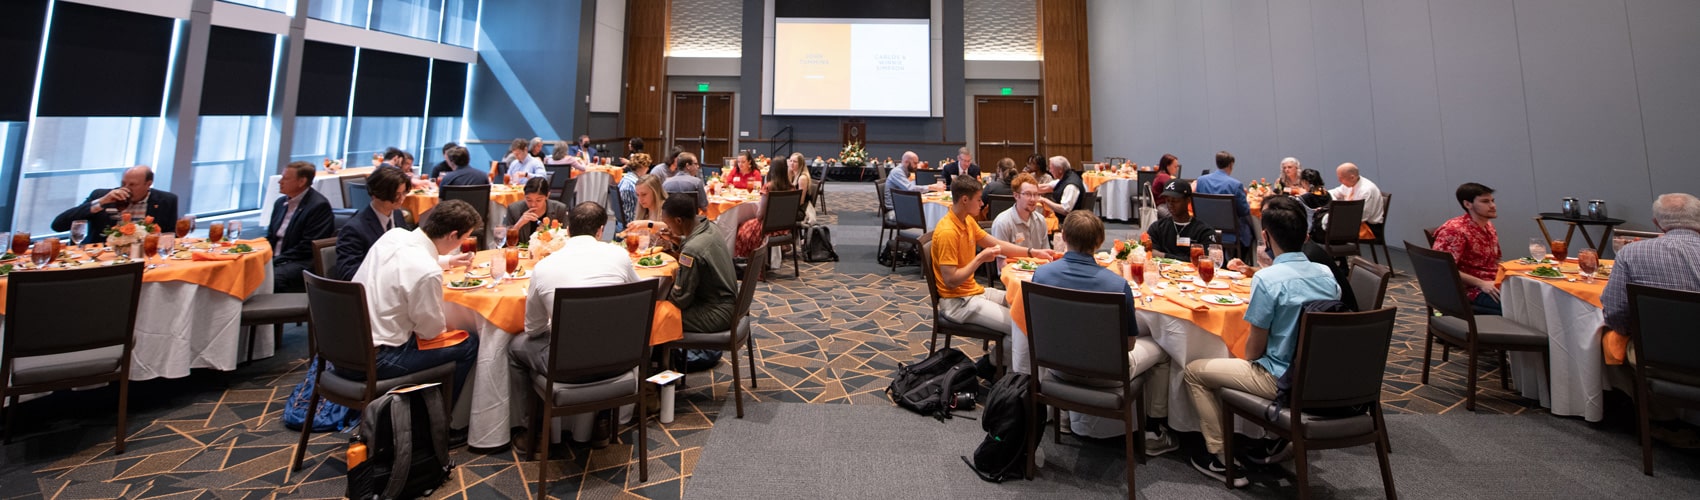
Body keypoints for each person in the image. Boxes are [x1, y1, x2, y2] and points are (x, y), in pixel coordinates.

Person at [1184, 195, 1339, 484]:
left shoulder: (1268, 281)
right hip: (1324, 378)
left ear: (1265, 237)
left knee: (1194, 371)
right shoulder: (1327, 274)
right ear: (1305, 235)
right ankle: (1266, 437)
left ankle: (1218, 455)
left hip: (1280, 380)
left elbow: (1254, 352)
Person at [1028, 210, 1175, 452]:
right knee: (1164, 348)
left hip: (1056, 368)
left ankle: (1064, 415)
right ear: (1099, 242)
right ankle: (1153, 430)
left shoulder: (1041, 274)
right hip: (1106, 375)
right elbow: (1128, 345)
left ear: (1063, 236)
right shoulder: (1116, 285)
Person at [509, 201, 639, 447]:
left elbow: (534, 330)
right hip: (620, 360)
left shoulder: (545, 267)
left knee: (514, 347)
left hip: (566, 366)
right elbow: (636, 294)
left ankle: (532, 430)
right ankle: (602, 420)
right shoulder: (619, 255)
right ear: (601, 231)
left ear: (567, 230)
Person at [343, 198, 482, 419]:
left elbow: (403, 264)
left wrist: (446, 261)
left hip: (344, 349)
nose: (461, 244)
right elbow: (431, 333)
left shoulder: (393, 236)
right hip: (377, 360)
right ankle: (437, 422)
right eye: (464, 238)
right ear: (452, 235)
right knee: (470, 343)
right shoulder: (427, 271)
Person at [1602, 193, 1700, 447]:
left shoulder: (1631, 253)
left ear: (1657, 224)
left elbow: (1614, 312)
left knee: (1611, 343)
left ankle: (1660, 420)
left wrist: (1628, 331)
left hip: (1656, 360)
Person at [930, 177, 1060, 340]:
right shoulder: (948, 231)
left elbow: (998, 244)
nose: (982, 204)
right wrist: (980, 259)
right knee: (1022, 324)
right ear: (964, 200)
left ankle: (1001, 362)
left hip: (973, 292)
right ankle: (999, 364)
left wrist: (1032, 252)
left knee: (1025, 306)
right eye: (978, 199)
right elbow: (951, 281)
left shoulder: (967, 221)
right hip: (956, 303)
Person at [659, 196, 738, 333]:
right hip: (731, 304)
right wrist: (673, 238)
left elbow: (680, 299)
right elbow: (695, 243)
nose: (668, 227)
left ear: (678, 220)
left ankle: (667, 354)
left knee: (654, 316)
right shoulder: (710, 227)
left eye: (668, 223)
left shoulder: (691, 251)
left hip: (716, 314)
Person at [333, 166, 422, 280]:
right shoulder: (354, 229)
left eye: (404, 193)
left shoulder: (398, 215)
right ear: (375, 194)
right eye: (395, 194)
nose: (401, 199)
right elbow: (348, 273)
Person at [51, 165, 180, 239]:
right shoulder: (102, 196)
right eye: (123, 183)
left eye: (132, 184)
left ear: (148, 184)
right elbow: (58, 225)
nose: (126, 188)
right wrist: (101, 202)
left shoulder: (166, 200)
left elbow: (170, 235)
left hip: (144, 258)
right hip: (102, 258)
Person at [1432, 182, 1504, 315]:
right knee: (1522, 308)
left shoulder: (1488, 226)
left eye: (1492, 201)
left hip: (1492, 282)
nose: (1493, 206)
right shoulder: (1455, 230)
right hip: (1470, 290)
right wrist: (1482, 283)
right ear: (1467, 204)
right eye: (1485, 201)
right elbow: (1442, 269)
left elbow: (1494, 260)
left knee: (1532, 300)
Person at [267, 162, 335, 293]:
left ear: (302, 181)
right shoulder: (280, 203)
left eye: (285, 178)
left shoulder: (318, 206)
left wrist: (275, 261)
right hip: (277, 257)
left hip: (300, 261)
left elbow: (307, 247)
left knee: (272, 277)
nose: (280, 182)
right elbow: (271, 236)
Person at [735, 154, 798, 258]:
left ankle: (748, 262)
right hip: (785, 228)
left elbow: (760, 215)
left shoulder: (768, 187)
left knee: (741, 229)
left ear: (772, 170)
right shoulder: (792, 188)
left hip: (767, 229)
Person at [1194, 151, 1254, 255]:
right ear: (1231, 165)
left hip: (1205, 230)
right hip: (1230, 234)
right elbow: (1244, 211)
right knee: (1251, 230)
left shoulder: (1201, 181)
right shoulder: (1235, 185)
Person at [1145, 180, 1220, 258]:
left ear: (1188, 200)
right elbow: (1150, 254)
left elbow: (1206, 261)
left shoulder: (1204, 231)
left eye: (1175, 201)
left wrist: (1164, 255)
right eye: (1167, 200)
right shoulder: (1157, 227)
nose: (1170, 204)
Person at [990, 173, 1050, 251]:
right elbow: (1001, 262)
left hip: (1040, 263)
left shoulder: (1040, 220)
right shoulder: (1002, 223)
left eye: (1035, 194)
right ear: (1016, 196)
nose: (1032, 199)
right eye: (1028, 194)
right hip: (1013, 263)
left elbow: (1046, 254)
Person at [1328, 162, 1385, 239]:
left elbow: (1362, 217)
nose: (1339, 181)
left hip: (1368, 227)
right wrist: (1323, 195)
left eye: (1341, 178)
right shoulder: (1350, 183)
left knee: (1330, 231)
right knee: (1327, 226)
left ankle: (1345, 250)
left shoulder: (1366, 190)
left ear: (1352, 177)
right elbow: (1334, 193)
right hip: (1354, 221)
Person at [506, 177, 570, 243]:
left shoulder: (559, 209)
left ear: (547, 196)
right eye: (529, 200)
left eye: (538, 200)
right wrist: (519, 224)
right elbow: (506, 243)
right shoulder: (514, 209)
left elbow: (567, 237)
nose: (533, 205)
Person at [617, 153, 650, 229]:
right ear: (642, 167)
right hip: (631, 224)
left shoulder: (625, 178)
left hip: (621, 223)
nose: (648, 169)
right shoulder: (635, 184)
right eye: (647, 166)